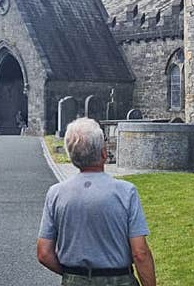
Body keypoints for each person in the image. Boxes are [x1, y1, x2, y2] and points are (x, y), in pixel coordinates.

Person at [37, 118, 156, 286]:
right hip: (119, 279)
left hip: (75, 279)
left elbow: (44, 253)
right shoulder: (126, 192)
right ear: (103, 153)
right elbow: (140, 253)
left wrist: (73, 276)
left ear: (71, 156)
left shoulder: (55, 194)